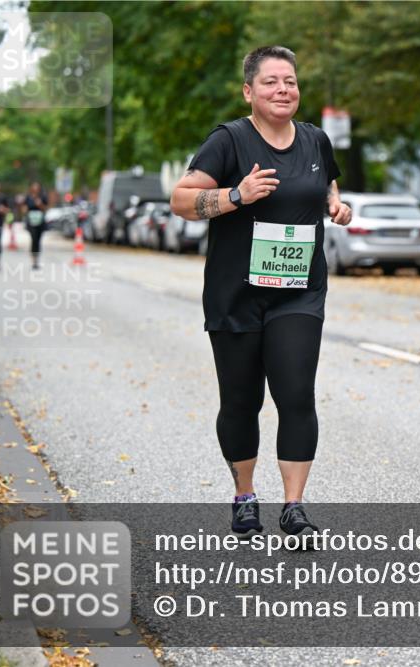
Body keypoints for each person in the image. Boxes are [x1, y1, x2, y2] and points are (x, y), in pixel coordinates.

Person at [170, 46, 351, 539]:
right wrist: (235, 196)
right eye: (271, 82)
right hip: (236, 293)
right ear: (250, 91)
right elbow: (181, 200)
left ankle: (294, 508)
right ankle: (245, 497)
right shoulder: (229, 141)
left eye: (290, 81)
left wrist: (336, 204)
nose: (283, 90)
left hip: (298, 291)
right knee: (240, 400)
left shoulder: (315, 140)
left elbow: (326, 182)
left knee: (295, 393)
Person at [24, 182, 48, 270]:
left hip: (40, 221)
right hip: (31, 221)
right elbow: (24, 208)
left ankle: (37, 259)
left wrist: (40, 204)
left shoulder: (43, 197)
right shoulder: (28, 197)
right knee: (33, 239)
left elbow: (45, 208)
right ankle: (33, 259)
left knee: (38, 240)